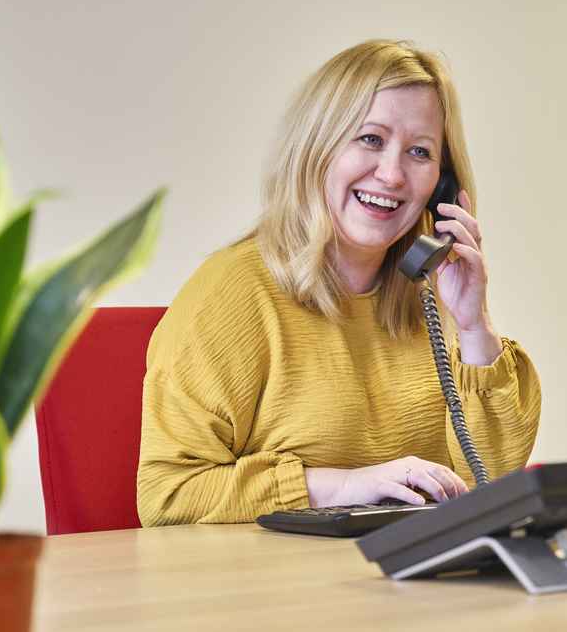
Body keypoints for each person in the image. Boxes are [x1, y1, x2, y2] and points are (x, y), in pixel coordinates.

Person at [137, 40, 542, 525]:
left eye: (419, 151)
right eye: (370, 139)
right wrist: (344, 485)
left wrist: (475, 325)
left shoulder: (435, 298)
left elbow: (489, 485)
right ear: (317, 147)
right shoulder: (232, 294)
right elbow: (167, 497)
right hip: (277, 590)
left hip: (413, 585)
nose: (392, 174)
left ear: (442, 183)